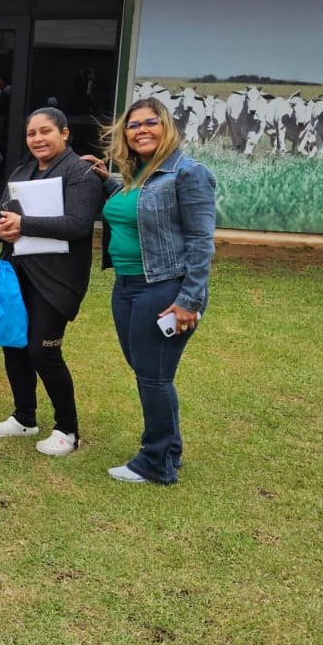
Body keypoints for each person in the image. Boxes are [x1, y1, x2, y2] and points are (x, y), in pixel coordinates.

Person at [87, 98, 216, 485]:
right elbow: (137, 206)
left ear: (167, 128)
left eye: (150, 123)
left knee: (154, 376)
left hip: (163, 288)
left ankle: (155, 461)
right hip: (126, 286)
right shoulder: (134, 175)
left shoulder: (188, 174)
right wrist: (105, 179)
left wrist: (188, 301)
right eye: (133, 125)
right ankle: (169, 450)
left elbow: (201, 241)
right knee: (146, 370)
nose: (141, 130)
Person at [0, 107, 105, 456]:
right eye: (31, 134)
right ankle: (24, 417)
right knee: (14, 344)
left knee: (43, 350)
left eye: (45, 132)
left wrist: (23, 224)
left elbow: (78, 225)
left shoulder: (80, 172)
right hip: (18, 272)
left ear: (64, 134)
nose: (37, 139)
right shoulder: (23, 170)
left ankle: (68, 431)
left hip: (57, 279)